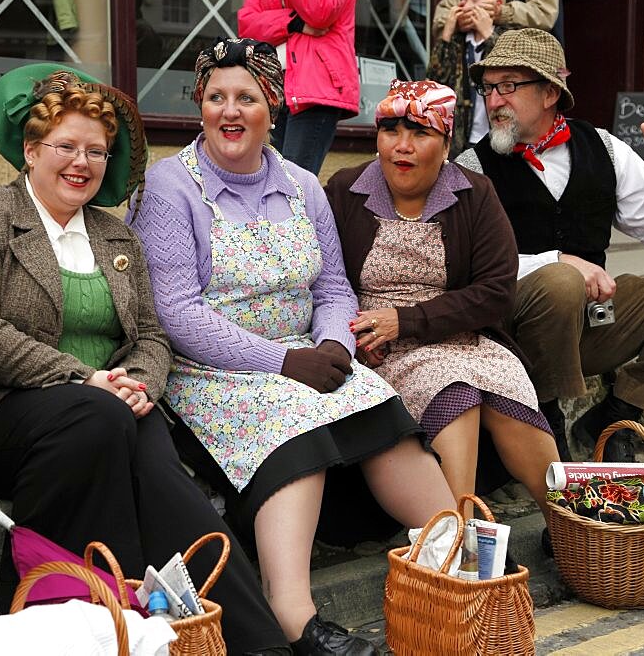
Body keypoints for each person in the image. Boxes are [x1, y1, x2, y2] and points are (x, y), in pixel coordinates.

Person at [0, 63, 290, 654]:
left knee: (159, 476)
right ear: (30, 150)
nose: (81, 163)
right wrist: (87, 379)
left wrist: (139, 387)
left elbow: (152, 333)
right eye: (66, 147)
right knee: (99, 419)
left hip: (114, 407)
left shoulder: (115, 234)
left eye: (96, 152)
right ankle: (99, 618)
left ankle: (260, 644)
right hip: (9, 414)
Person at [127, 39, 455, 654]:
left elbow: (333, 285)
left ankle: (455, 568)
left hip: (307, 353)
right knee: (293, 427)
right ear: (199, 105)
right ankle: (294, 618)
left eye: (246, 98)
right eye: (216, 97)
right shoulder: (170, 188)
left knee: (382, 414)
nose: (230, 111)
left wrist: (334, 347)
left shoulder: (302, 184)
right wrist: (283, 361)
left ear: (271, 107)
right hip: (215, 371)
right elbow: (176, 312)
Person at [455, 29, 644, 462]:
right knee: (561, 281)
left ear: (550, 93)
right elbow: (461, 270)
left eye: (508, 86)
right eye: (488, 88)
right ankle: (546, 428)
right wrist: (559, 262)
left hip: (589, 327)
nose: (493, 101)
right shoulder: (472, 167)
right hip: (510, 338)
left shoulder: (604, 148)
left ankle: (616, 415)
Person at [325, 79, 559, 521]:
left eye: (420, 133)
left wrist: (408, 319)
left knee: (511, 401)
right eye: (391, 130)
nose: (402, 146)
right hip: (381, 349)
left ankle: (570, 525)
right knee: (456, 392)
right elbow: (325, 283)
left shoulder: (474, 193)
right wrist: (349, 337)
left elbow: (495, 292)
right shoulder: (345, 190)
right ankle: (459, 537)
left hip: (466, 337)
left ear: (446, 141)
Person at [238, 0, 358, 175]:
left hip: (314, 88)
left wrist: (276, 22)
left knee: (292, 182)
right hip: (272, 89)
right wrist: (294, 22)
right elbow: (247, 27)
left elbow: (320, 11)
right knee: (268, 179)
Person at [428, 0, 507, 156]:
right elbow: (434, 80)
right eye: (463, 1)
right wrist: (447, 32)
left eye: (475, 0)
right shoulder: (457, 42)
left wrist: (488, 34)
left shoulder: (506, 37)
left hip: (495, 139)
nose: (466, 7)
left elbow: (508, 67)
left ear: (495, 4)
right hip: (458, 143)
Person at [433, 0, 560, 38]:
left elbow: (544, 13)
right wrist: (457, 21)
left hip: (523, 66)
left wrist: (503, 13)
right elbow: (439, 21)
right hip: (465, 71)